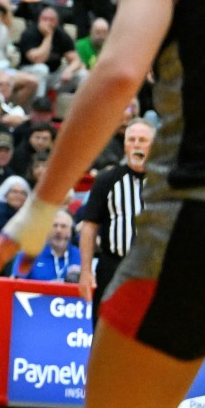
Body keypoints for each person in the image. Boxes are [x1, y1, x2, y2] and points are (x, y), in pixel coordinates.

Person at [75, 119, 154, 323]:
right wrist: (85, 271)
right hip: (113, 265)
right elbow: (89, 226)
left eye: (142, 140)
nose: (136, 144)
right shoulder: (106, 180)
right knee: (105, 327)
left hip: (152, 269)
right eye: (131, 140)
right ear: (125, 145)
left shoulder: (165, 182)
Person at [9, 209, 79, 281]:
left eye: (63, 226)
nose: (58, 230)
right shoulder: (29, 254)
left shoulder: (81, 256)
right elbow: (15, 284)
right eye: (54, 225)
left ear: (71, 231)